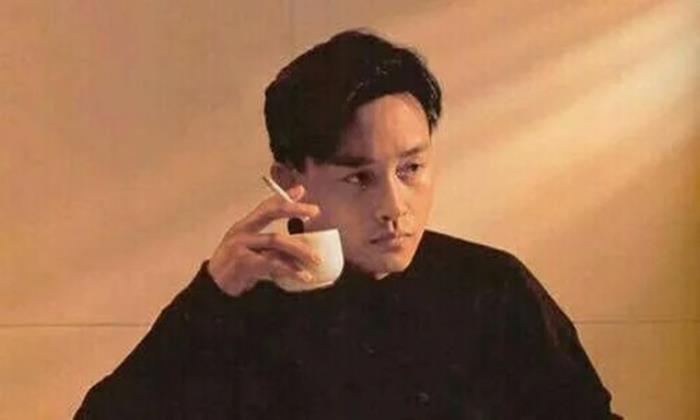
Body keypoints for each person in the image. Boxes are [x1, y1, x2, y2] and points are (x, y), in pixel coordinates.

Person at [75, 29, 620, 419]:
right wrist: (210, 295)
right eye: (359, 177)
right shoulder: (240, 307)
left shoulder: (492, 288)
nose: (395, 206)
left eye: (411, 169)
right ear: (291, 181)